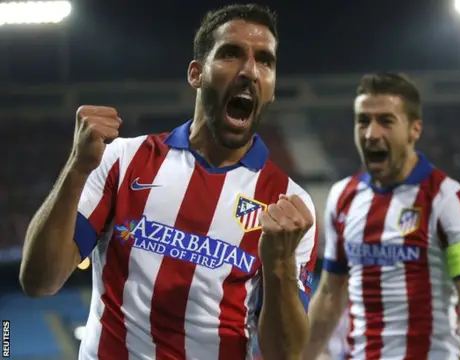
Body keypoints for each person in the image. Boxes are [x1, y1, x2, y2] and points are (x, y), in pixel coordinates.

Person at [18, 4, 318, 360]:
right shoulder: (124, 160)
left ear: (270, 88)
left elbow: (286, 355)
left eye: (265, 60)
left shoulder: (288, 204)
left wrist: (280, 265)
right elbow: (39, 281)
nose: (250, 71)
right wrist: (76, 169)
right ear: (196, 74)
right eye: (231, 53)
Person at [303, 73, 460, 360]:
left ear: (414, 130)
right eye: (363, 121)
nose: (371, 134)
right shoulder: (342, 197)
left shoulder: (450, 201)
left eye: (386, 121)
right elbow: (331, 293)